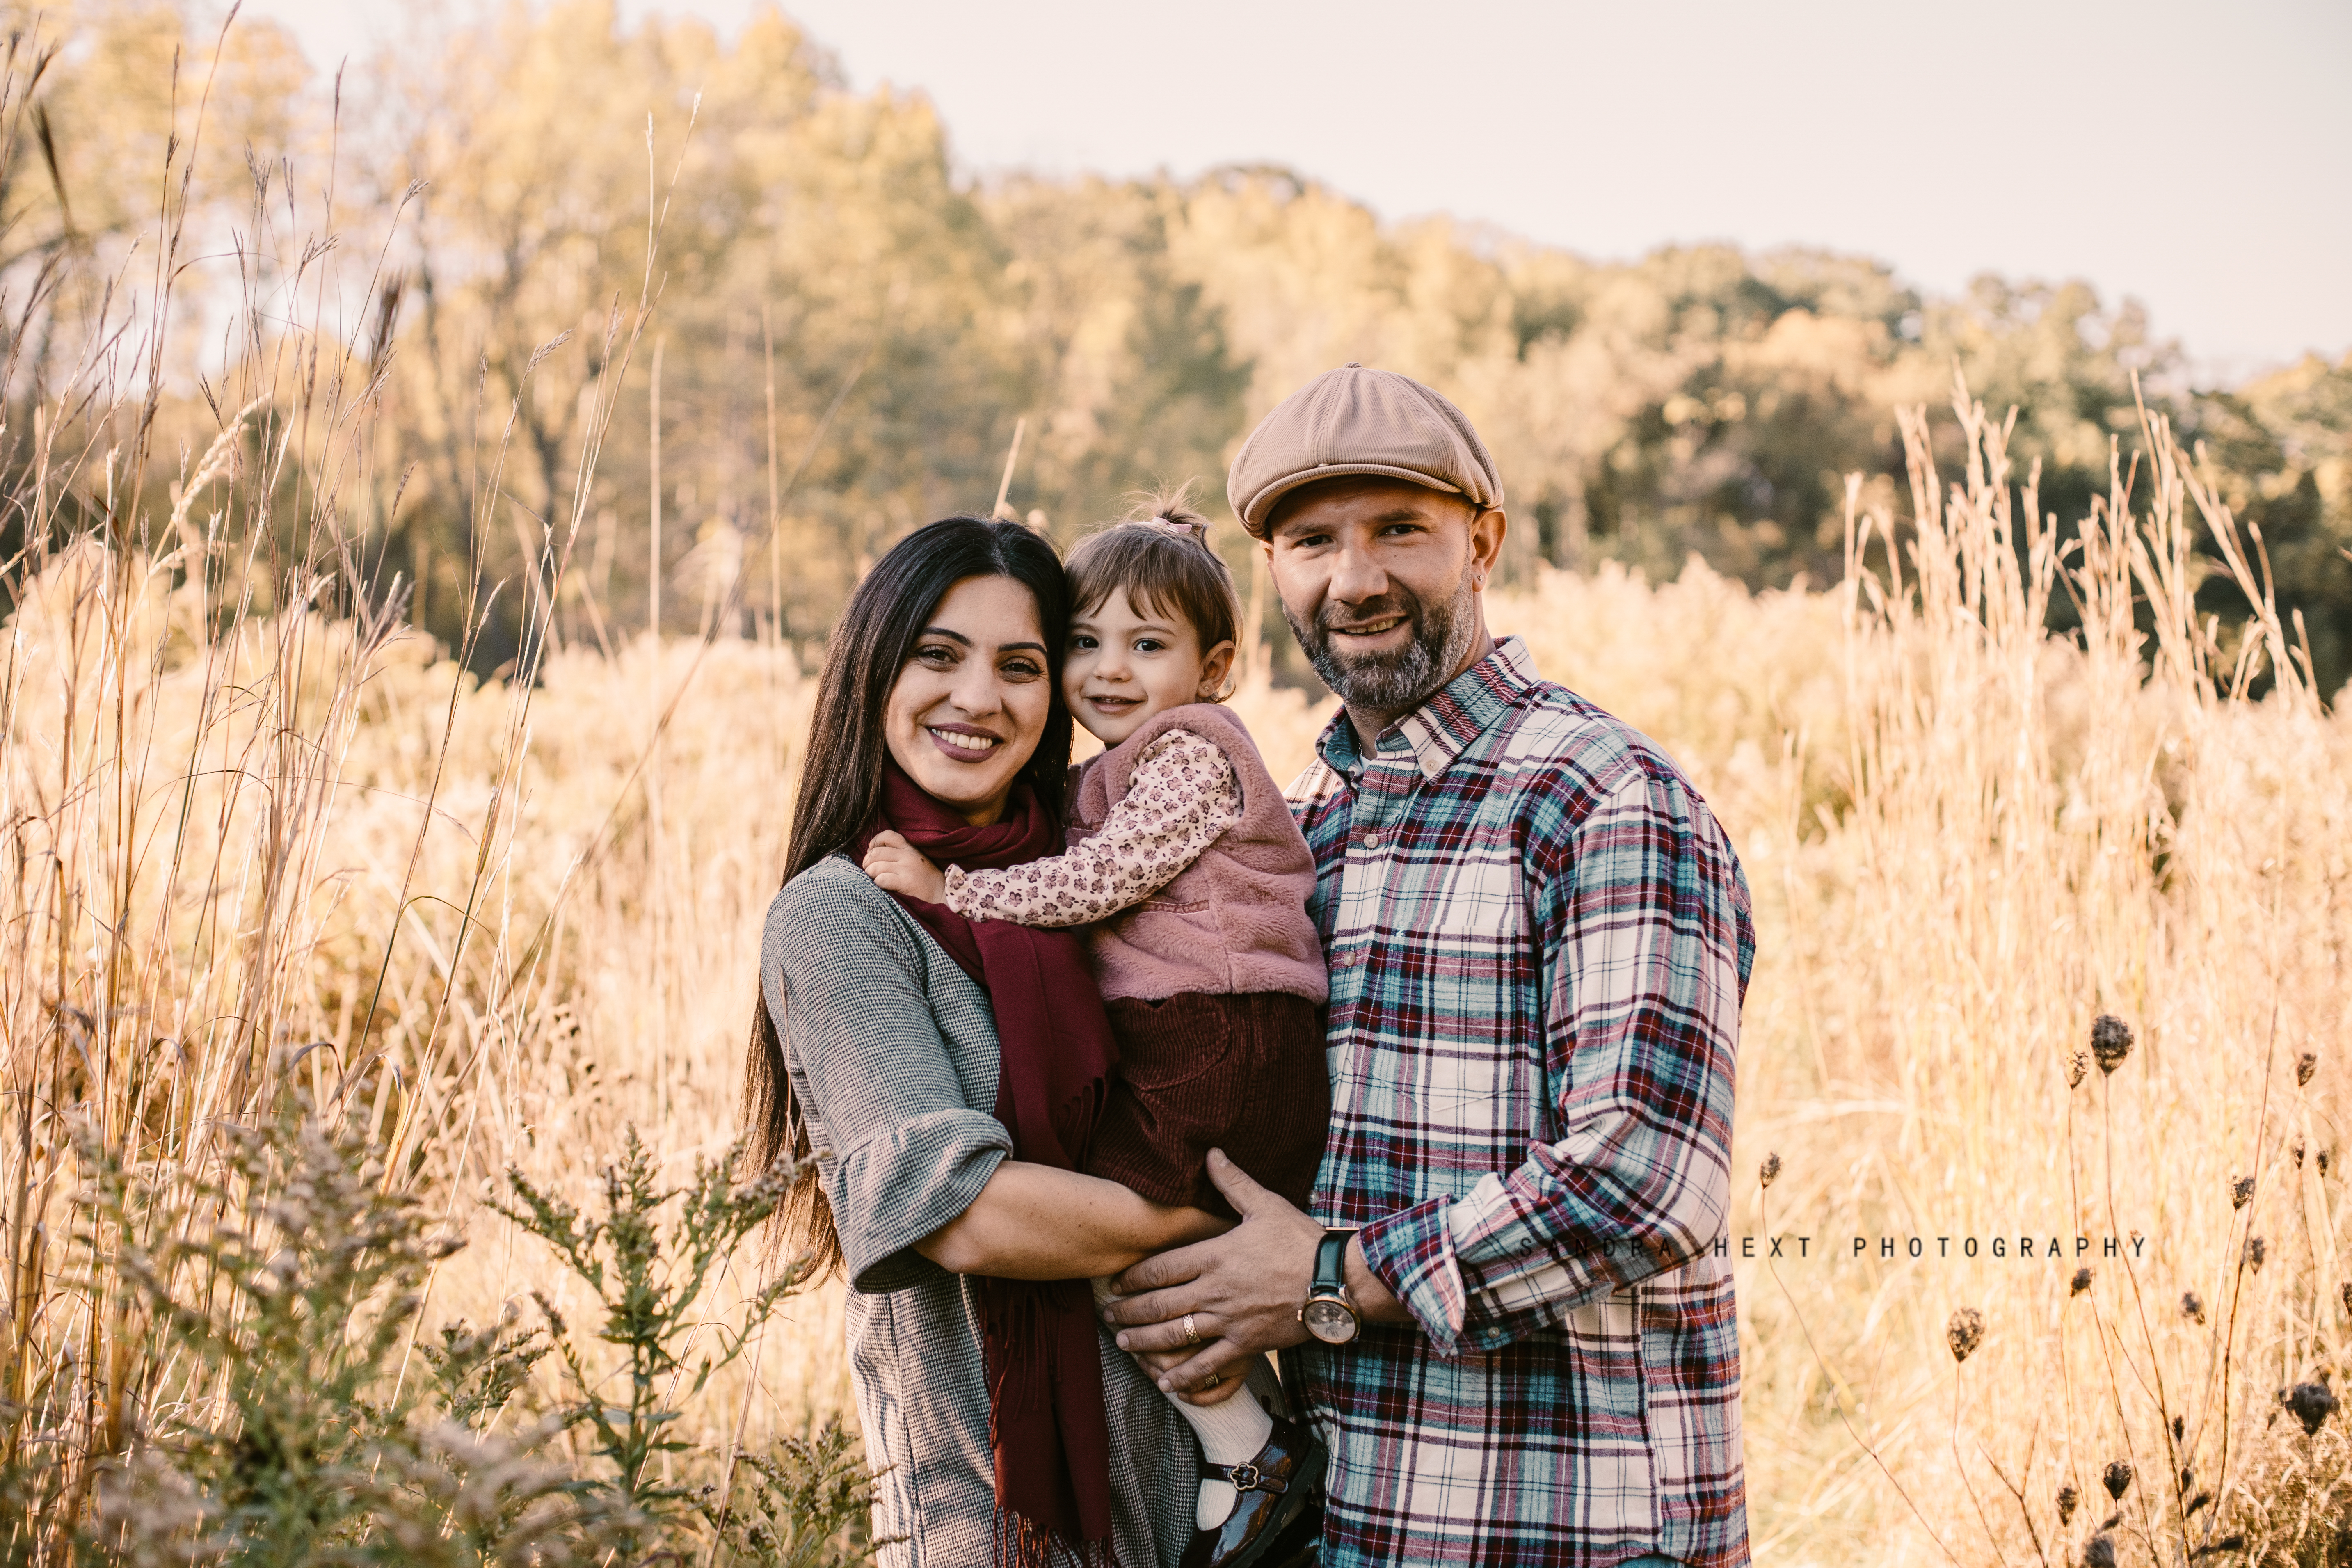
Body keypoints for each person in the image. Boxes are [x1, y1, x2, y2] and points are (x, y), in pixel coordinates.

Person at [1101, 365, 1756, 1568]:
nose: (1353, 579)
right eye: (1311, 541)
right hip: (1348, 1520)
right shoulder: (1293, 830)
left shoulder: (1600, 797)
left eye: (1398, 529)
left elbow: (1648, 1179)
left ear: (1481, 543)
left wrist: (1322, 1276)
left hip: (1567, 1524)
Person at [861, 491, 1330, 1566]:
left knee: (1111, 1236)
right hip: (1195, 1027)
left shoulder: (1191, 756)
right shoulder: (1110, 766)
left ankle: (1250, 1446)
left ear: (1213, 666)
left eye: (1147, 643)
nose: (1109, 667)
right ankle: (1242, 1440)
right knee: (1123, 1247)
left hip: (1225, 1027)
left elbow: (1106, 876)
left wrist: (953, 887)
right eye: (1083, 641)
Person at [746, 515, 1219, 1568]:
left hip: (1200, 1502)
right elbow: (959, 1213)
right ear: (873, 668)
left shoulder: (1099, 875)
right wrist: (1212, 1210)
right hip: (991, 1512)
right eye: (937, 655)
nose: (976, 699)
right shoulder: (842, 916)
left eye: (1019, 665)